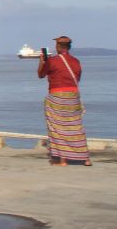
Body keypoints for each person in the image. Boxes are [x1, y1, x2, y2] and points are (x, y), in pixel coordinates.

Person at [38, 36, 90, 166]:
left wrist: (42, 61)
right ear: (69, 47)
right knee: (76, 126)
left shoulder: (52, 61)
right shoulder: (76, 61)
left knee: (56, 127)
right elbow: (77, 78)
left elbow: (41, 74)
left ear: (58, 47)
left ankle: (62, 159)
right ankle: (86, 158)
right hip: (73, 96)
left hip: (57, 96)